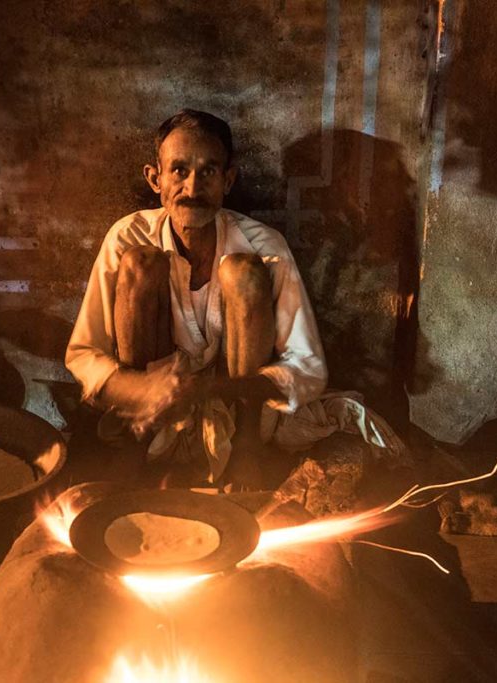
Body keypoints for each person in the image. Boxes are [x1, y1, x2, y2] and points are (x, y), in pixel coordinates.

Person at [65, 109, 327, 490]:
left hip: (237, 409)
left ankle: (247, 449)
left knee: (243, 271)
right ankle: (135, 446)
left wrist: (209, 389)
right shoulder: (127, 236)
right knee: (140, 262)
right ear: (155, 179)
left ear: (228, 180)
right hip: (151, 411)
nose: (192, 188)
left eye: (208, 172)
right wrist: (143, 390)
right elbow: (84, 353)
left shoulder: (264, 245)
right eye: (179, 170)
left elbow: (307, 367)